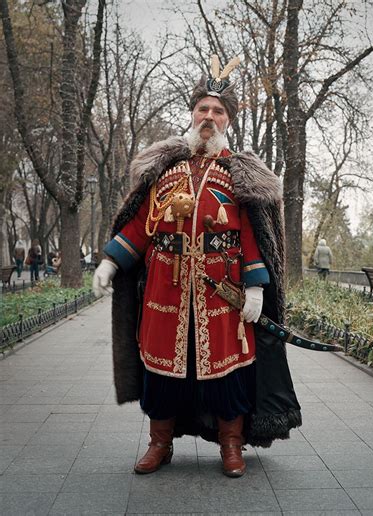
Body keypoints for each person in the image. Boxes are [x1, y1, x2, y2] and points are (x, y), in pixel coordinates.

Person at [93, 55, 301, 478]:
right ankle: (159, 443)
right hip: (164, 293)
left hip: (220, 293)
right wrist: (111, 261)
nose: (209, 117)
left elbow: (252, 235)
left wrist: (257, 287)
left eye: (218, 111)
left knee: (227, 377)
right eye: (203, 109)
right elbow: (140, 224)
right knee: (163, 374)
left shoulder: (237, 174)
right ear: (193, 114)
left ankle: (231, 446)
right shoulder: (165, 169)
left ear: (228, 120)